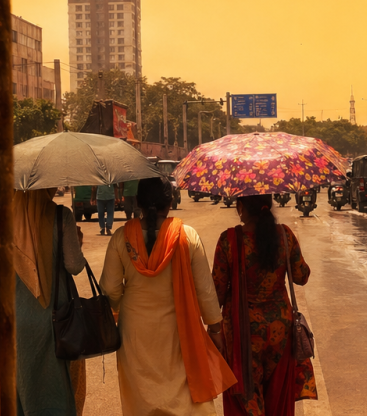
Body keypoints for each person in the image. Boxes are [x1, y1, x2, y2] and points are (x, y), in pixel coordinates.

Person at [100, 178, 235, 415]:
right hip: (180, 331)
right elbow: (205, 290)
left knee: (141, 397)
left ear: (138, 203)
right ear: (170, 202)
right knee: (184, 397)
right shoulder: (186, 236)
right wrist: (215, 330)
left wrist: (119, 306)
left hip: (135, 331)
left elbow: (110, 290)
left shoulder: (121, 237)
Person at [213, 195, 318, 416]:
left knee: (247, 397)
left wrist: (213, 330)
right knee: (277, 396)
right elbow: (301, 276)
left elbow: (218, 292)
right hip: (280, 331)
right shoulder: (284, 235)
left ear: (241, 207)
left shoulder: (229, 239)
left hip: (243, 333)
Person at [10, 189, 88, 416]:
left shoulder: (1, 218)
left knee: (21, 386)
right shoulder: (60, 216)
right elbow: (74, 265)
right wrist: (77, 242)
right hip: (54, 320)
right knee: (54, 390)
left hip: (14, 320)